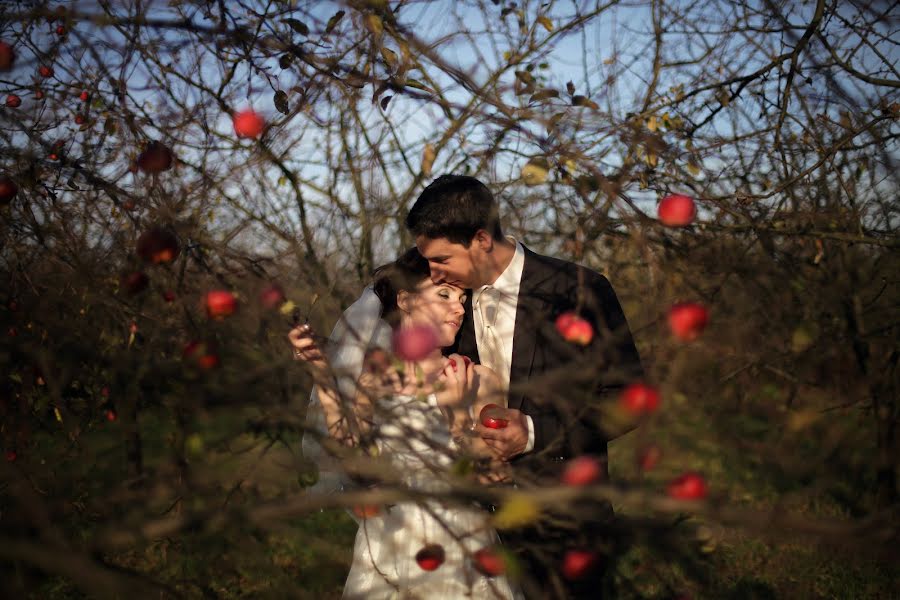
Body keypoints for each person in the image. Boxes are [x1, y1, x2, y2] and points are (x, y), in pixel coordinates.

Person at [406, 174, 645, 599]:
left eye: (441, 258)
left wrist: (534, 432)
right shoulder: (449, 306)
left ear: (481, 239)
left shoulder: (576, 292)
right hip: (478, 532)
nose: (432, 271)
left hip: (565, 524)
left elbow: (629, 399)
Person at [288, 248, 522, 600]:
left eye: (462, 297)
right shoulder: (374, 380)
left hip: (463, 552)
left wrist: (459, 419)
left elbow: (497, 479)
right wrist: (321, 371)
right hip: (386, 550)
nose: (458, 307)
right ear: (406, 300)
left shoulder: (476, 378)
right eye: (444, 294)